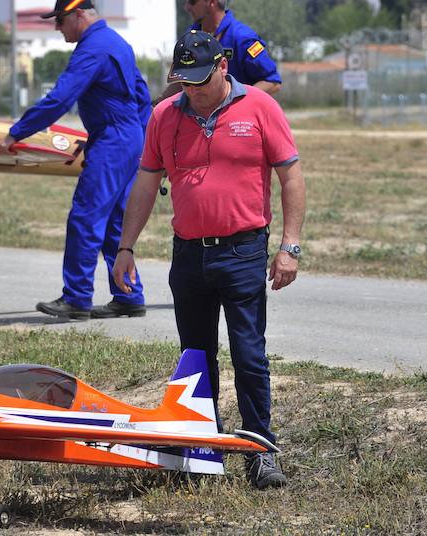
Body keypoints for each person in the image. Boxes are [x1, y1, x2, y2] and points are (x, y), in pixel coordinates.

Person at [113, 31, 305, 489]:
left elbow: (291, 176)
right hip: (188, 255)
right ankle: (201, 451)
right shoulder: (164, 115)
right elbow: (145, 184)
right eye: (185, 82)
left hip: (243, 250)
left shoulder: (260, 108)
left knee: (249, 355)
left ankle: (260, 452)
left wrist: (289, 246)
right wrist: (126, 247)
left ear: (222, 66)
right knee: (195, 358)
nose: (193, 91)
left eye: (201, 80)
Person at [0, 0, 151, 321]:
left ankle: (77, 299)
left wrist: (16, 131)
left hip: (113, 139)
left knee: (85, 216)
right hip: (127, 138)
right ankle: (128, 296)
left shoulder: (92, 49)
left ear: (80, 15)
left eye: (61, 21)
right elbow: (141, 96)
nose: (57, 28)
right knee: (115, 222)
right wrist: (141, 141)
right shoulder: (116, 42)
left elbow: (60, 99)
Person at [180, 0, 281, 95]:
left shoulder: (243, 38)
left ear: (212, 1)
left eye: (192, 0)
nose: (187, 7)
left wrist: (237, 104)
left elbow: (272, 82)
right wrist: (159, 103)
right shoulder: (189, 38)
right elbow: (180, 82)